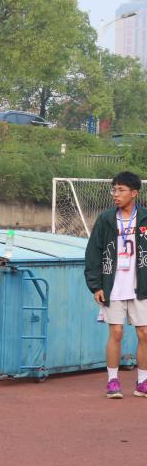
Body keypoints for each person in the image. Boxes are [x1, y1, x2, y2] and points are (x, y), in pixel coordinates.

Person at [84, 171, 147, 399]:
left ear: (134, 193)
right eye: (114, 190)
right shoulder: (106, 219)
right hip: (113, 285)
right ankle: (112, 381)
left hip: (141, 285)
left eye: (121, 190)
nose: (115, 194)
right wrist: (96, 285)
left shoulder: (145, 218)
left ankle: (142, 382)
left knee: (144, 333)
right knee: (116, 333)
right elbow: (93, 253)